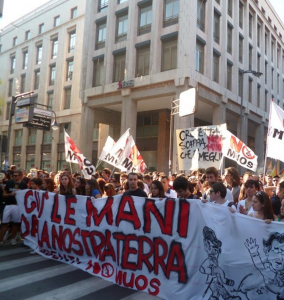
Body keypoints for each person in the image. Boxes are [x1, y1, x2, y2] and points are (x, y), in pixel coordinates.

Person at [0, 170, 27, 246]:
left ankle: (13, 238)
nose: (14, 177)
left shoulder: (24, 185)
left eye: (16, 176)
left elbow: (26, 196)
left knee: (16, 223)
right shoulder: (9, 183)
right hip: (8, 205)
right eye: (13, 176)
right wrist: (10, 194)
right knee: (4, 223)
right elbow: (4, 194)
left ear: (21, 176)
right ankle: (1, 239)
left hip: (17, 205)